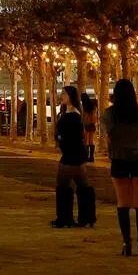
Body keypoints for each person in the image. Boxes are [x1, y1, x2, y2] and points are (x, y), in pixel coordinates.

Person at [101, 78, 138, 257]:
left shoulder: (109, 115)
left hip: (119, 159)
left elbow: (107, 135)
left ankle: (126, 243)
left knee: (123, 203)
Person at [51, 85, 91, 228]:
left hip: (72, 153)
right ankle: (81, 217)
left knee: (67, 186)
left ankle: (67, 218)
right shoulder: (65, 112)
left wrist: (61, 138)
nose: (62, 96)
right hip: (70, 153)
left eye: (64, 94)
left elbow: (73, 135)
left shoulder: (74, 115)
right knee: (79, 185)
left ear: (71, 97)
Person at [81, 93, 98, 162]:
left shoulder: (83, 107)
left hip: (86, 124)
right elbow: (94, 115)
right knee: (91, 141)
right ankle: (91, 157)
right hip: (92, 124)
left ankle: (86, 156)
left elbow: (83, 117)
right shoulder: (93, 106)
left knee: (86, 141)